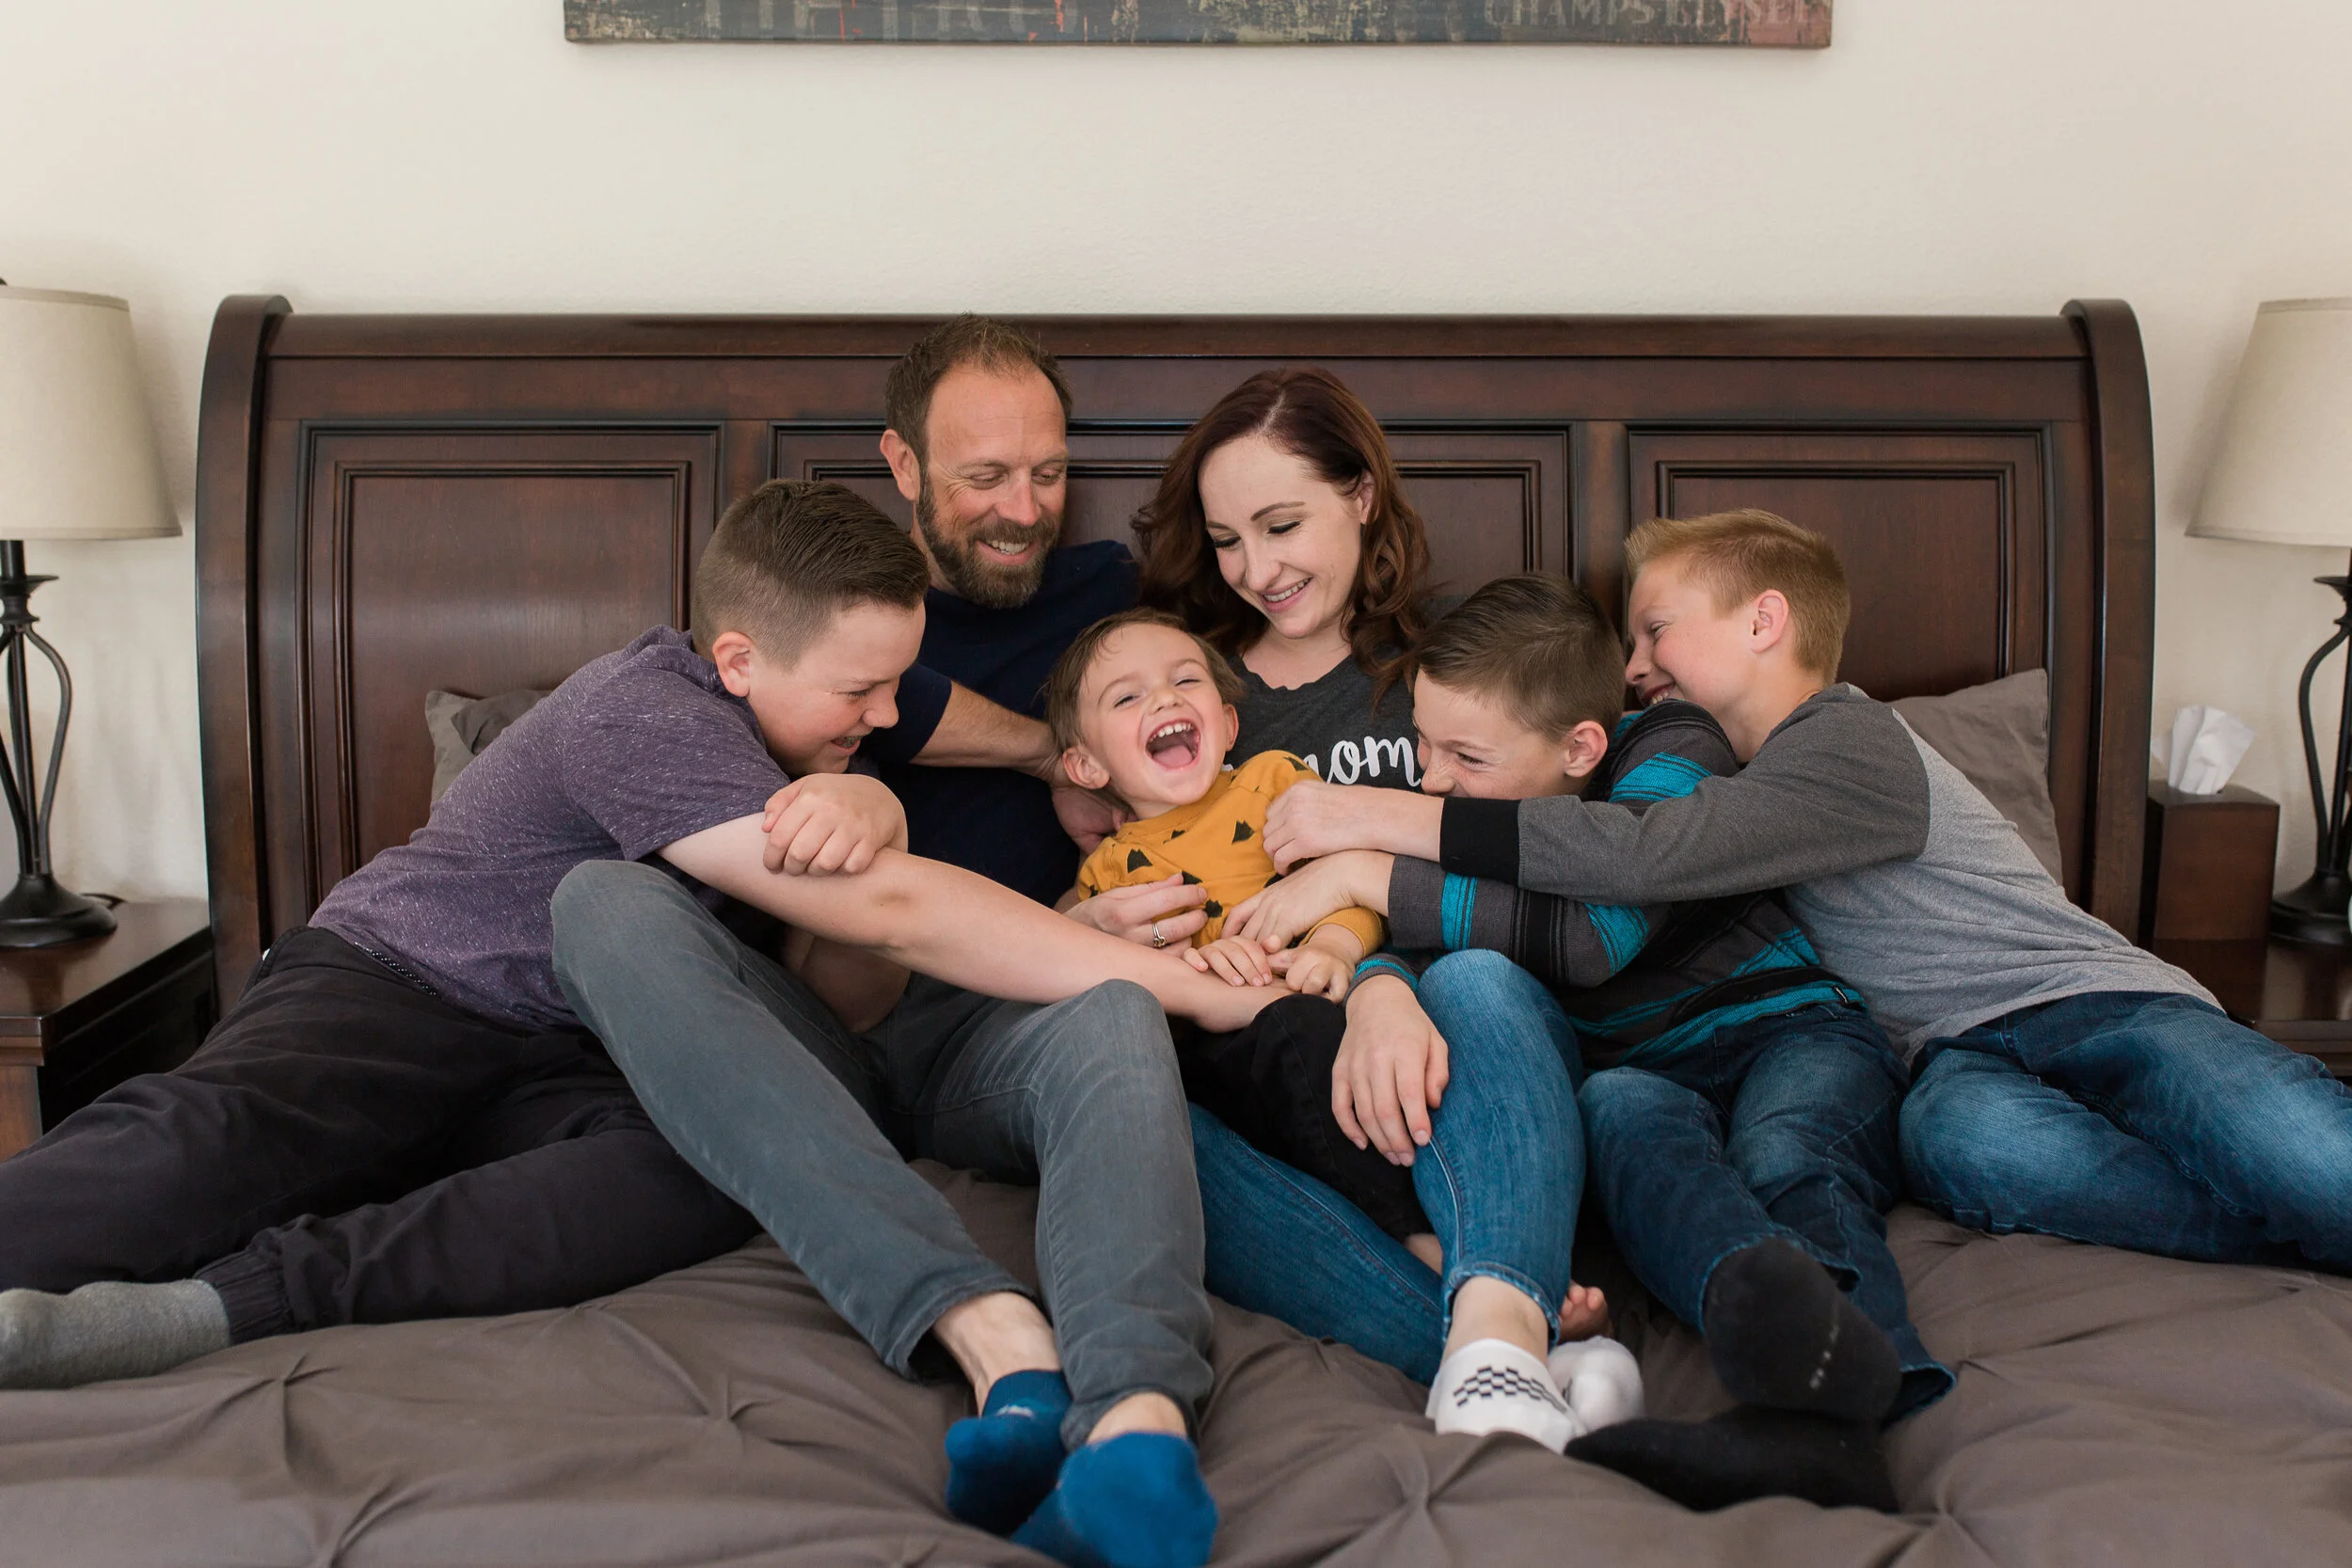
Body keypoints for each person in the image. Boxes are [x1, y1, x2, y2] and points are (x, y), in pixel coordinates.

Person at [3, 480, 1262, 1568]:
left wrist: (1034, 759)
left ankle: (224, 1304)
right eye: (860, 691)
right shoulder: (645, 709)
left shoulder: (827, 699)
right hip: (404, 984)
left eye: (892, 685)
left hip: (586, 1054)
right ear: (739, 661)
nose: (886, 715)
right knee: (202, 1143)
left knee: (704, 1177)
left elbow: (926, 714)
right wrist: (1192, 983)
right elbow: (883, 908)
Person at [1247, 510, 2352, 1349]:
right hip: (1946, 1061)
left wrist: (1376, 825)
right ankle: (2288, 1235)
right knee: (1962, 1145)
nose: (1635, 666)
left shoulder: (1843, 737)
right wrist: (1372, 958)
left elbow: (1643, 857)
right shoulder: (1705, 763)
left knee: (2286, 1136)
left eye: (1656, 628)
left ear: (1762, 619)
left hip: (2087, 999)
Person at [1227, 574, 1948, 1511]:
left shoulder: (1672, 742)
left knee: (1786, 1152)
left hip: (1785, 1028)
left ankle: (1860, 1408)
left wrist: (1367, 866)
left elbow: (1594, 935)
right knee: (1620, 1123)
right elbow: (1430, 936)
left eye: (1464, 756)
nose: (1431, 782)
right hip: (1645, 1074)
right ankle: (1758, 1321)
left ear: (1579, 746)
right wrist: (1378, 989)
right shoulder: (1443, 799)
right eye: (1422, 745)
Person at [1043, 607, 1421, 1239]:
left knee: (1320, 1034)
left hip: (1308, 1012)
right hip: (1209, 1055)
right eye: (1127, 697)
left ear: (1227, 724)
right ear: (1086, 767)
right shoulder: (1106, 873)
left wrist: (1333, 945)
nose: (1164, 697)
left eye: (1185, 680)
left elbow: (1348, 880)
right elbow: (1110, 987)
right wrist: (1191, 963)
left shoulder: (1273, 782)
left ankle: (1421, 1233)